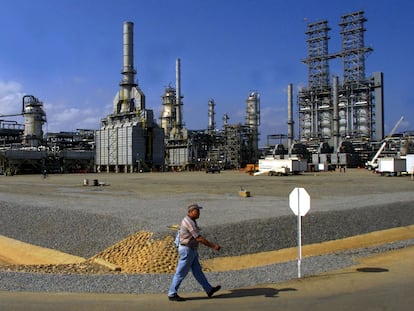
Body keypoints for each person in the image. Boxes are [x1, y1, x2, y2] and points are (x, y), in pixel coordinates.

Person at [168, 203, 222, 301]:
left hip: (191, 250)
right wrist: (213, 246)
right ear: (190, 212)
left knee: (198, 271)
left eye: (199, 211)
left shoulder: (191, 220)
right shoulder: (189, 222)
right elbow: (198, 238)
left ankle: (209, 289)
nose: (199, 213)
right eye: (197, 211)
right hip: (187, 250)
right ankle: (172, 294)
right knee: (180, 273)